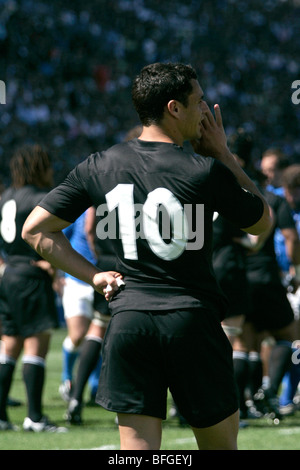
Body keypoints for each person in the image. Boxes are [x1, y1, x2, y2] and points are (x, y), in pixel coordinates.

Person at [22, 62, 272, 450]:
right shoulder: (204, 170)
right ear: (175, 108)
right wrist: (223, 153)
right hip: (191, 321)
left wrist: (93, 276)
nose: (206, 110)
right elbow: (262, 223)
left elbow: (34, 229)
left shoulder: (98, 164)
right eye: (199, 101)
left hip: (129, 322)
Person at [0, 144, 66, 432]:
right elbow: (49, 237)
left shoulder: (5, 197)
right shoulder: (41, 198)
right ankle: (35, 417)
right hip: (30, 274)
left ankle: (1, 416)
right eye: (48, 166)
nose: (51, 171)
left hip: (8, 274)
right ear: (38, 168)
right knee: (36, 346)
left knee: (8, 346)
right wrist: (50, 266)